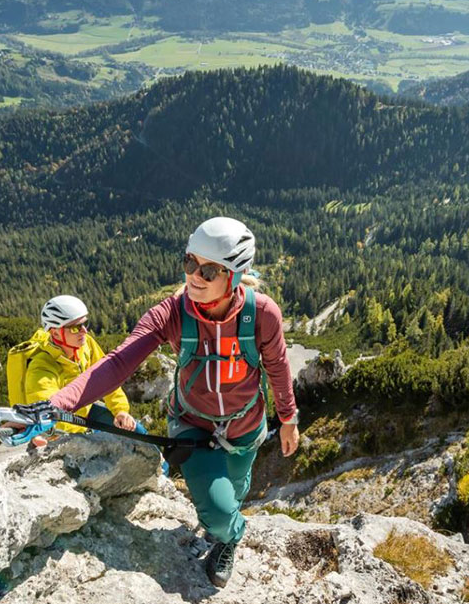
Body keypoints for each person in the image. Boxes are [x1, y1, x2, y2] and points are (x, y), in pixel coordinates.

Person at [41, 216, 299, 587]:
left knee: (237, 489)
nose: (194, 276)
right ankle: (229, 535)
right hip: (191, 426)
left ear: (235, 275)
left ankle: (221, 526)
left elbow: (277, 364)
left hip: (245, 426)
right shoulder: (172, 313)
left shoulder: (262, 314)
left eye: (209, 271)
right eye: (189, 262)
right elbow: (118, 363)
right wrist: (57, 403)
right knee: (222, 512)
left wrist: (288, 418)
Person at [19, 294, 140, 439]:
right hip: (62, 431)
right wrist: (84, 433)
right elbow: (49, 415)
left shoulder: (86, 345)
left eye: (85, 324)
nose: (84, 331)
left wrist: (120, 410)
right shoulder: (41, 367)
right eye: (76, 328)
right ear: (56, 333)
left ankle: (165, 463)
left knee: (137, 431)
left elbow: (108, 378)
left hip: (86, 412)